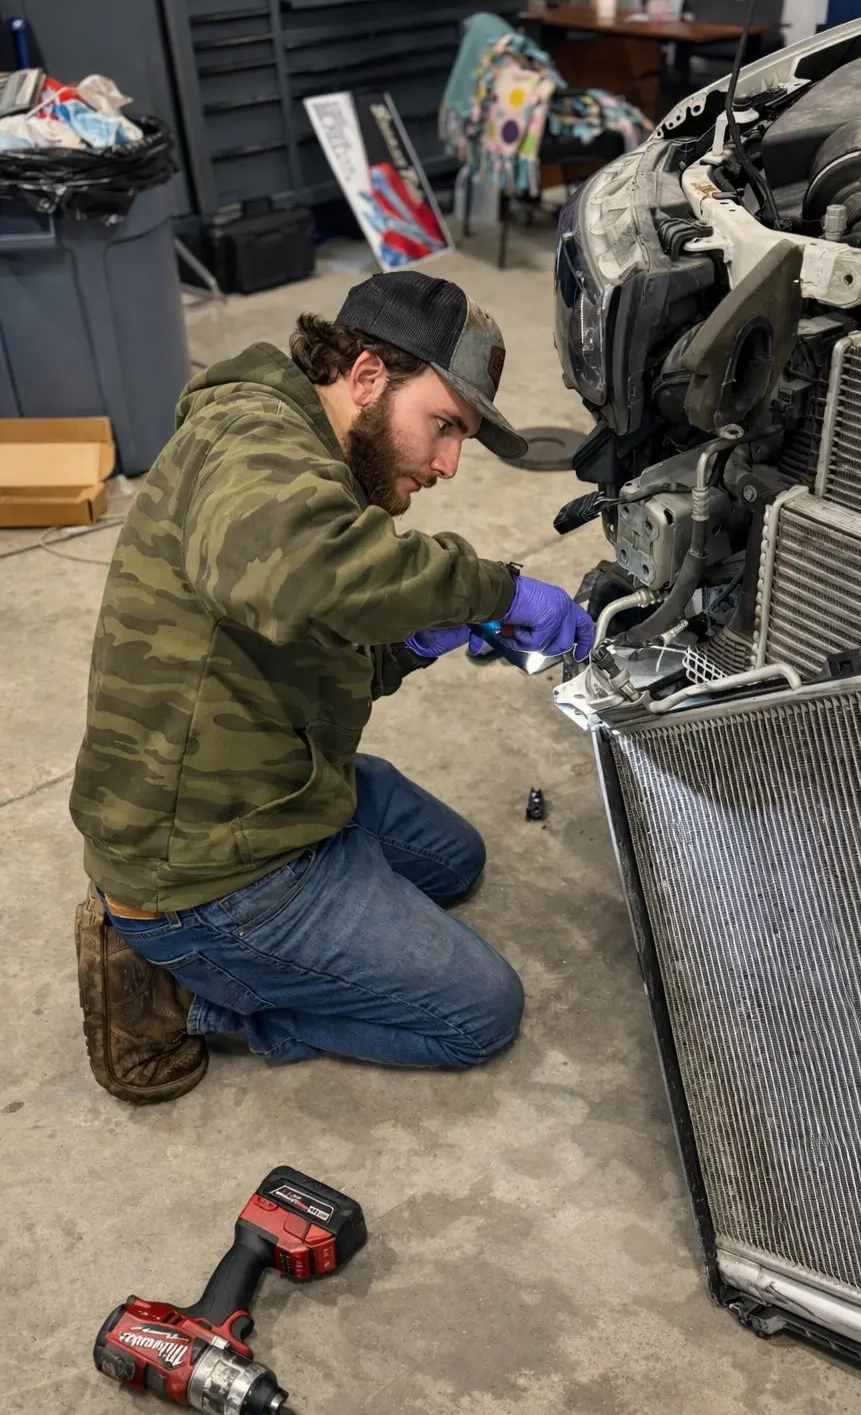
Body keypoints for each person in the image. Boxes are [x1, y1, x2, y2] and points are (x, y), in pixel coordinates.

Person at [71, 271, 594, 1104]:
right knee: (477, 1013)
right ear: (365, 377)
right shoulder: (251, 440)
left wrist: (418, 638)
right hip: (207, 865)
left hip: (272, 783)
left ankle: (318, 914)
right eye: (445, 427)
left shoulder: (307, 465)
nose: (449, 465)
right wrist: (489, 588)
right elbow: (303, 579)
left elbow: (311, 640)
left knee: (455, 863)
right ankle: (185, 997)